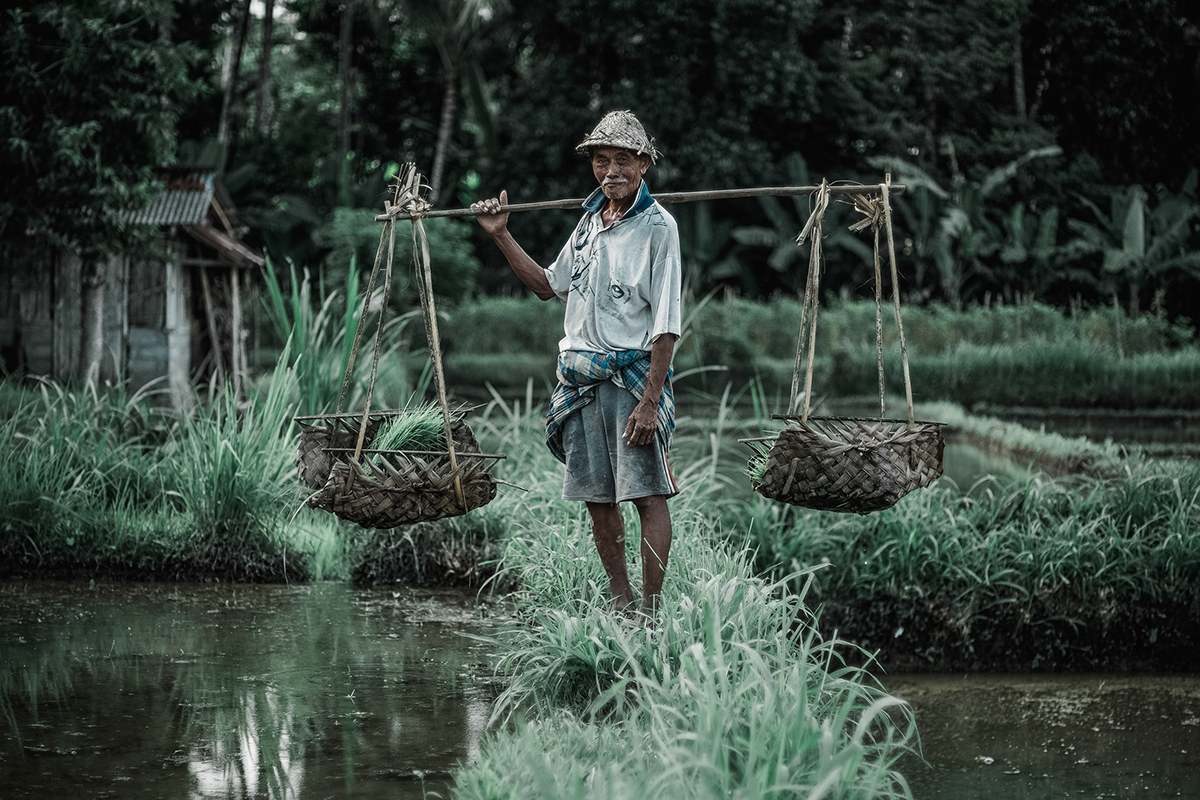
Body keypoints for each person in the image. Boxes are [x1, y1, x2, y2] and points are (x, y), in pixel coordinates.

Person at [470, 110, 682, 619]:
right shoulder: (589, 223)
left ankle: (651, 615)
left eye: (623, 160)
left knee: (648, 495)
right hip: (580, 379)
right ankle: (621, 604)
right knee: (598, 498)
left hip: (630, 383)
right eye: (602, 160)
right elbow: (548, 285)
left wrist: (650, 402)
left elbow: (667, 325)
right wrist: (500, 234)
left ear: (644, 164)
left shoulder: (659, 227)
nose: (611, 171)